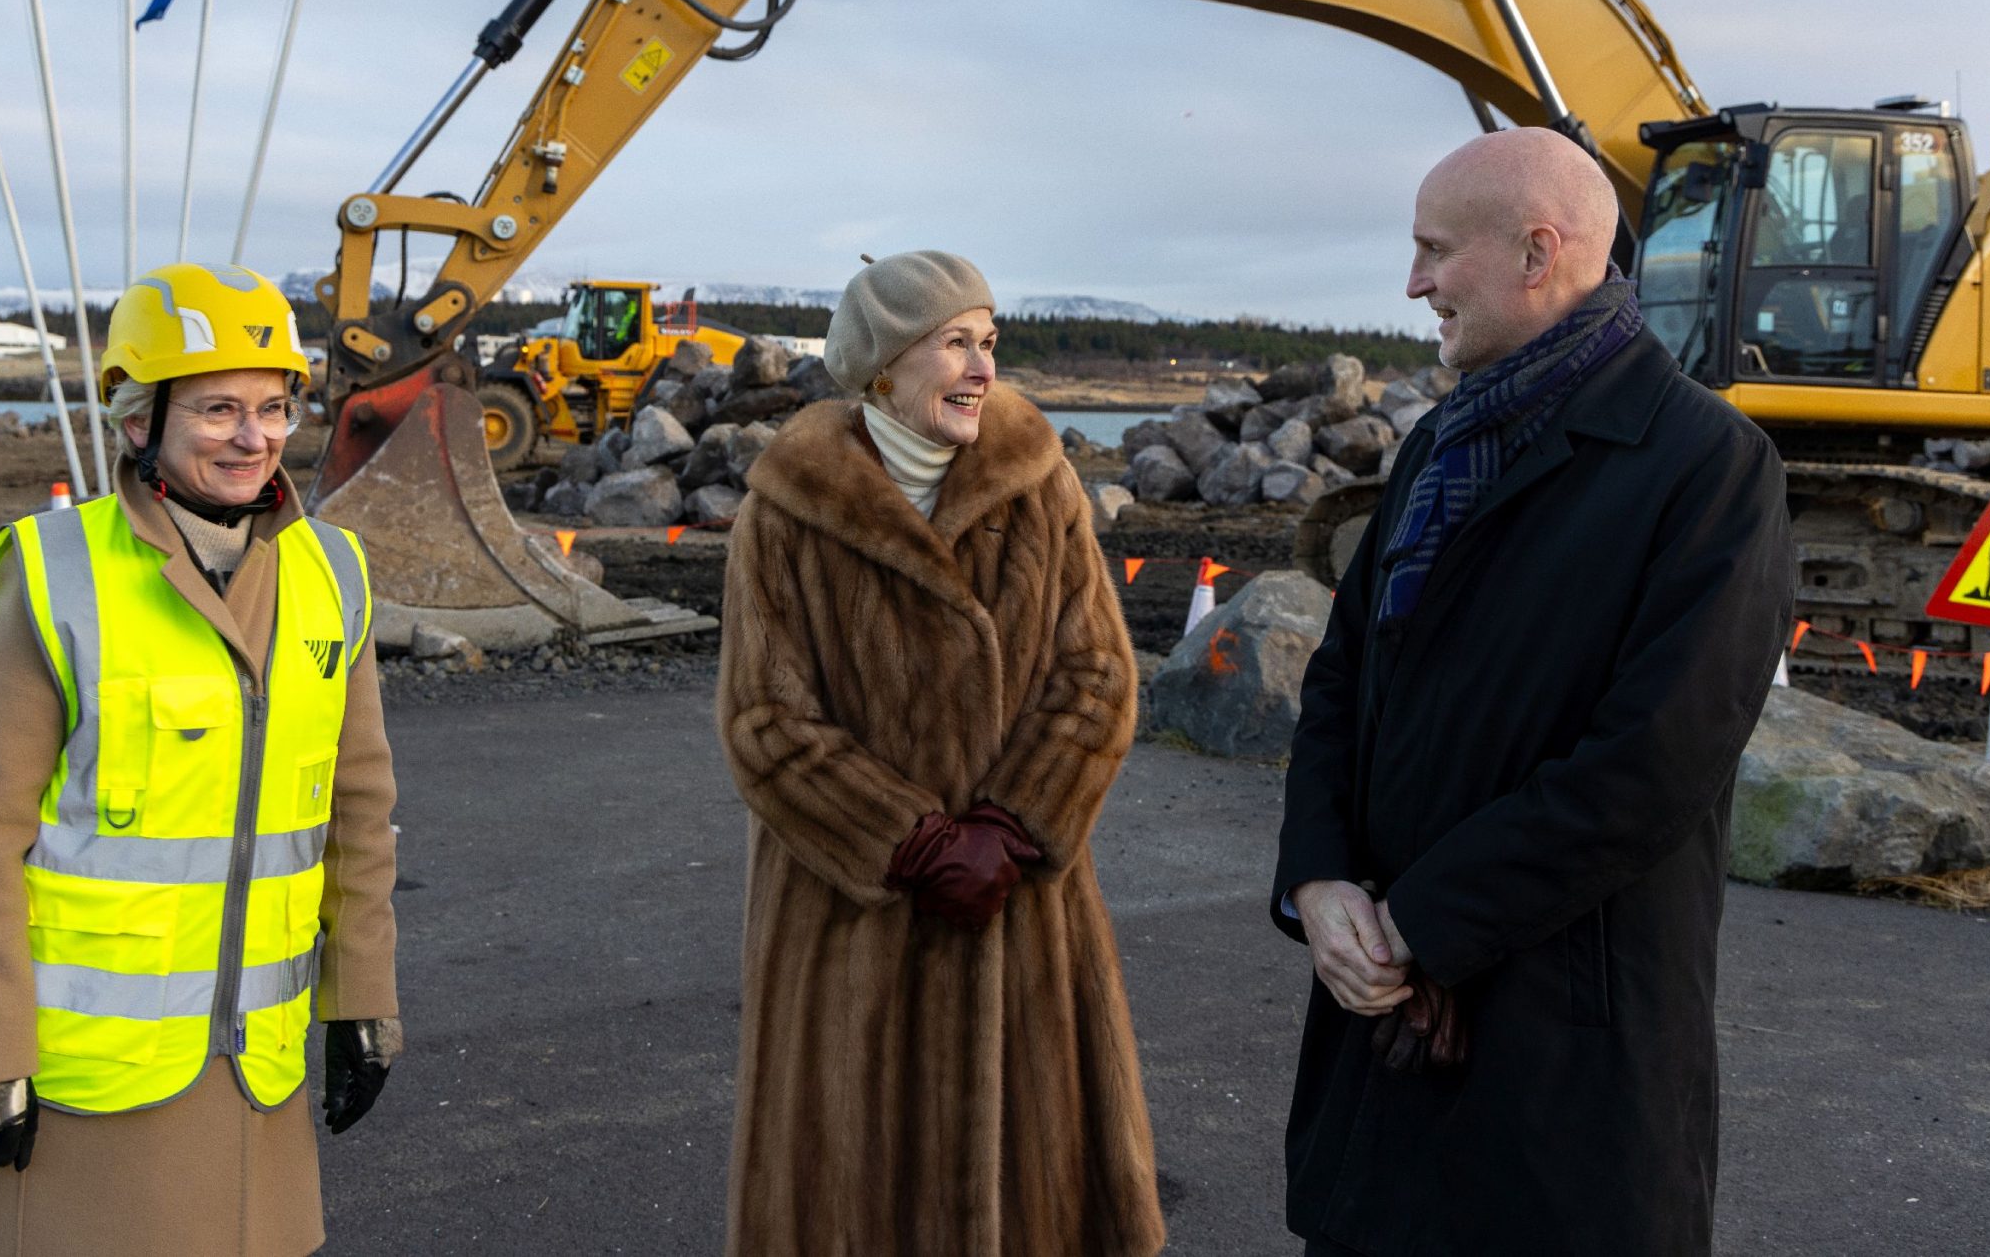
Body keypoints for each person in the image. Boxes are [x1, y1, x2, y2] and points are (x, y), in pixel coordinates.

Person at [1270, 130, 1795, 1257]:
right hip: (1380, 1034)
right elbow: (1343, 675)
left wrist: (1417, 923)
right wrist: (1317, 881)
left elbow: (1649, 768)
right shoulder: (1437, 447)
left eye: (1432, 251)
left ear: (1536, 253)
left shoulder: (1708, 468)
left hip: (1560, 1051)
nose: (1411, 284)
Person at [0, 263, 400, 1257]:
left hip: (256, 1076)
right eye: (217, 406)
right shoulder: (51, 576)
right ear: (140, 419)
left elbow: (358, 809)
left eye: (271, 406)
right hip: (82, 1080)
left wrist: (363, 998)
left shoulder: (332, 574)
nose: (252, 435)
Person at [716, 251, 1166, 1257]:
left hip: (1025, 915)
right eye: (955, 343)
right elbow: (763, 718)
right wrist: (914, 843)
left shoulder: (1038, 484)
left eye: (989, 342)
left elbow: (1096, 675)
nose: (981, 370)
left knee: (1035, 1202)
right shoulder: (787, 509)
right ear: (882, 365)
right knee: (850, 1197)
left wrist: (1008, 830)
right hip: (849, 926)